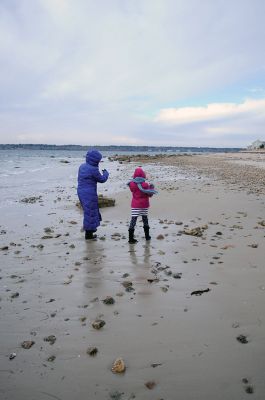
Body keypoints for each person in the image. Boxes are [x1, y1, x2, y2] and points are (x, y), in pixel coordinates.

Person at [77, 150, 109, 240]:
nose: (99, 162)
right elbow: (102, 179)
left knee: (88, 211)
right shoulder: (93, 169)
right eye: (98, 160)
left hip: (80, 191)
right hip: (89, 193)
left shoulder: (82, 166)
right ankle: (89, 234)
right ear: (95, 160)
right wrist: (106, 173)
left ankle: (91, 230)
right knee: (90, 212)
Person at [127, 167, 157, 244]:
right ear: (143, 175)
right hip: (144, 205)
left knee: (133, 221)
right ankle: (147, 237)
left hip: (135, 205)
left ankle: (131, 239)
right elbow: (150, 195)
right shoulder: (146, 184)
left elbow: (132, 189)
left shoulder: (131, 184)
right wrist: (151, 186)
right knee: (145, 220)